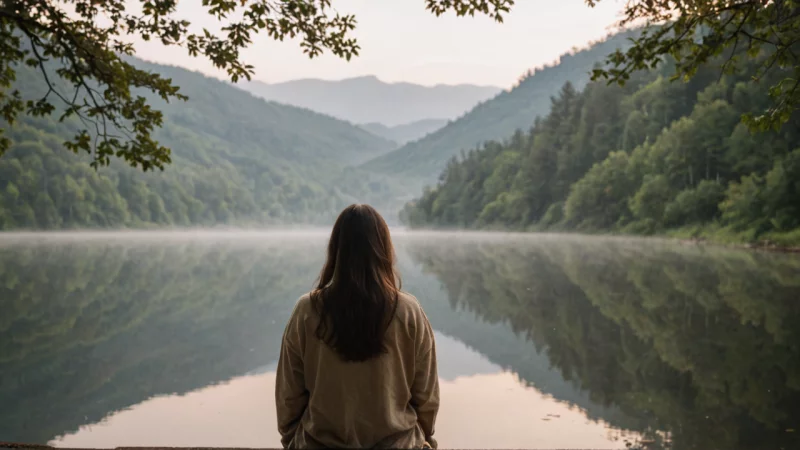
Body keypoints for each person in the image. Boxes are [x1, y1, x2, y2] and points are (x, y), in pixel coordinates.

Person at [275, 204, 440, 449]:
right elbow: (427, 399)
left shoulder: (306, 311)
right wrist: (418, 439)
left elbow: (289, 398)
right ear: (383, 249)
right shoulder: (408, 312)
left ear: (336, 249)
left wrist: (294, 441)